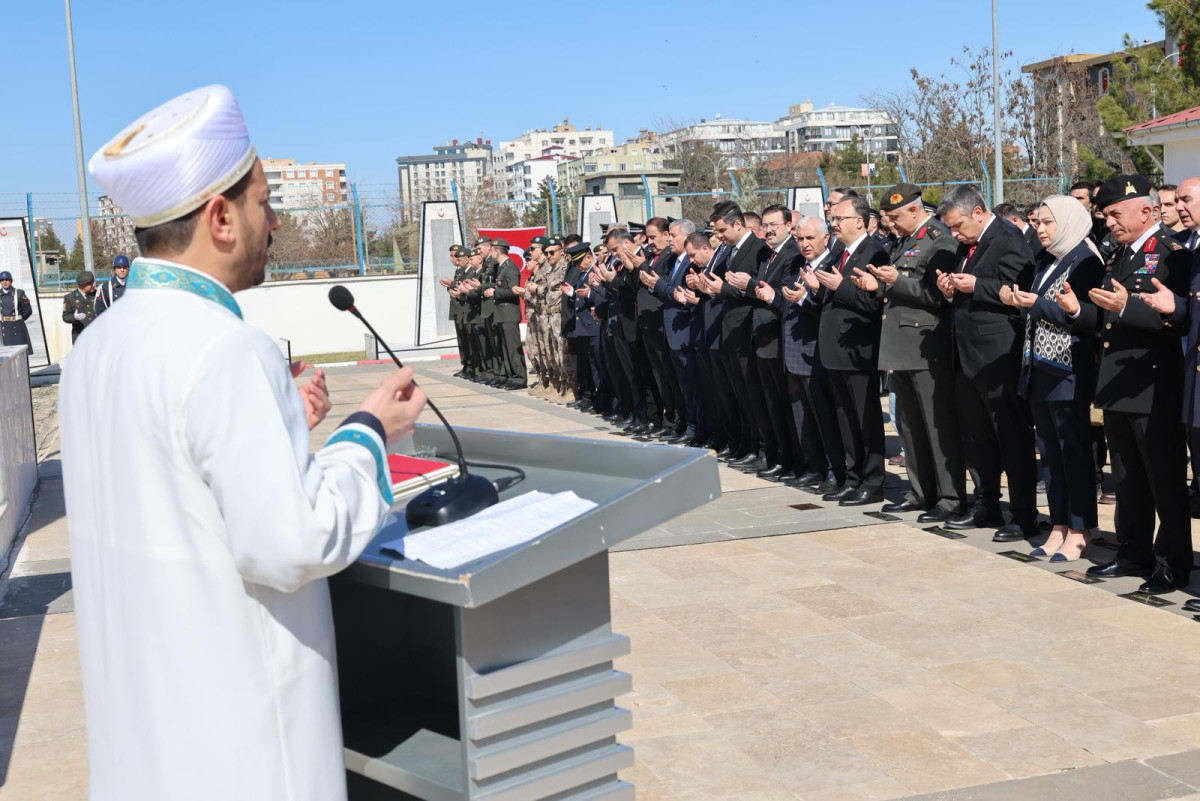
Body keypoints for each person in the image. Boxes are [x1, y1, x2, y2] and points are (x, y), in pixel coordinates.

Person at [68, 84, 427, 801]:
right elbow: (292, 542)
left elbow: (173, 485)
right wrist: (369, 433)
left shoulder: (98, 346)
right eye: (266, 202)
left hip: (147, 743)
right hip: (241, 750)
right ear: (221, 218)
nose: (277, 222)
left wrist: (282, 419)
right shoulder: (226, 350)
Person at [1058, 174, 1192, 593]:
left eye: (1117, 214)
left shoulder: (1172, 255)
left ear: (1147, 211)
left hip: (1154, 384)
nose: (1111, 222)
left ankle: (1174, 562)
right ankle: (1133, 552)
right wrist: (1078, 311)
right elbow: (1109, 317)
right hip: (1118, 382)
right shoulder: (1119, 254)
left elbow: (1178, 321)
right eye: (1107, 215)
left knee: (1163, 479)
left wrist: (1127, 306)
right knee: (1128, 477)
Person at [935, 185, 1039, 541]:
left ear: (978, 212)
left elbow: (1018, 288)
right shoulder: (966, 244)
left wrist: (977, 284)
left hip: (998, 353)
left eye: (958, 224)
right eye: (950, 227)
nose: (954, 233)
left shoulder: (1009, 238)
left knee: (1010, 435)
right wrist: (950, 287)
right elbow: (966, 286)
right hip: (966, 353)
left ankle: (1024, 513)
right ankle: (987, 504)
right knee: (977, 437)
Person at [856, 184, 964, 522]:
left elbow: (939, 296)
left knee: (937, 426)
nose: (889, 222)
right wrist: (879, 286)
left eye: (895, 216)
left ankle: (950, 496)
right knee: (909, 425)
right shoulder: (904, 241)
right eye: (886, 216)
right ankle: (921, 491)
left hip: (925, 346)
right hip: (901, 348)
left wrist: (895, 282)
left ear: (915, 211)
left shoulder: (939, 239)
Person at [1004, 196, 1103, 561]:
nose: (1041, 230)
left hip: (1068, 370)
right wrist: (1017, 302)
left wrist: (1036, 305)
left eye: (1048, 223)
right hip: (1039, 368)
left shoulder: (1086, 260)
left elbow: (1086, 317)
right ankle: (1058, 524)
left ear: (1068, 222)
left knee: (1072, 453)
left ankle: (1080, 529)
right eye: (1038, 223)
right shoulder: (1048, 259)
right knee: (1050, 455)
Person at [812, 194, 889, 505]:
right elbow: (831, 297)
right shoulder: (838, 254)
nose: (834, 224)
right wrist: (817, 289)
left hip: (858, 348)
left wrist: (838, 286)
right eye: (833, 219)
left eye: (839, 219)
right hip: (834, 348)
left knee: (865, 418)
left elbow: (872, 303)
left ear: (859, 221)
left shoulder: (875, 254)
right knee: (845, 417)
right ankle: (853, 476)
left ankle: (873, 480)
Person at [762, 216, 845, 493]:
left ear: (825, 238)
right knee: (801, 414)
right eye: (800, 239)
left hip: (815, 352)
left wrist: (805, 298)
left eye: (810, 238)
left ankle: (835, 470)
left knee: (823, 415)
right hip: (793, 351)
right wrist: (775, 297)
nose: (805, 244)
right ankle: (812, 466)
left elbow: (828, 309)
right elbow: (789, 304)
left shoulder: (832, 265)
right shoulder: (799, 265)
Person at [486, 238, 527, 389]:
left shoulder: (510, 268)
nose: (490, 253)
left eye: (491, 250)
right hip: (502, 314)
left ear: (497, 251)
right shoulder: (501, 268)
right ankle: (511, 377)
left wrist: (494, 292)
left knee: (512, 348)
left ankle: (519, 378)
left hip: (509, 313)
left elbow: (514, 290)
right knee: (505, 348)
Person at [0, 270, 33, 354]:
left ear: (11, 280)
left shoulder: (20, 293)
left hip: (17, 328)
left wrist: (19, 319)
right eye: (2, 280)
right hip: (3, 328)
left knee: (21, 354)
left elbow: (28, 310)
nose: (5, 282)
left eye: (7, 279)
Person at [62, 271, 98, 342]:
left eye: (93, 282)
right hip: (80, 336)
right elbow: (65, 317)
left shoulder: (97, 294)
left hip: (96, 335)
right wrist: (74, 317)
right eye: (90, 284)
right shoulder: (70, 298)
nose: (93, 285)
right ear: (82, 285)